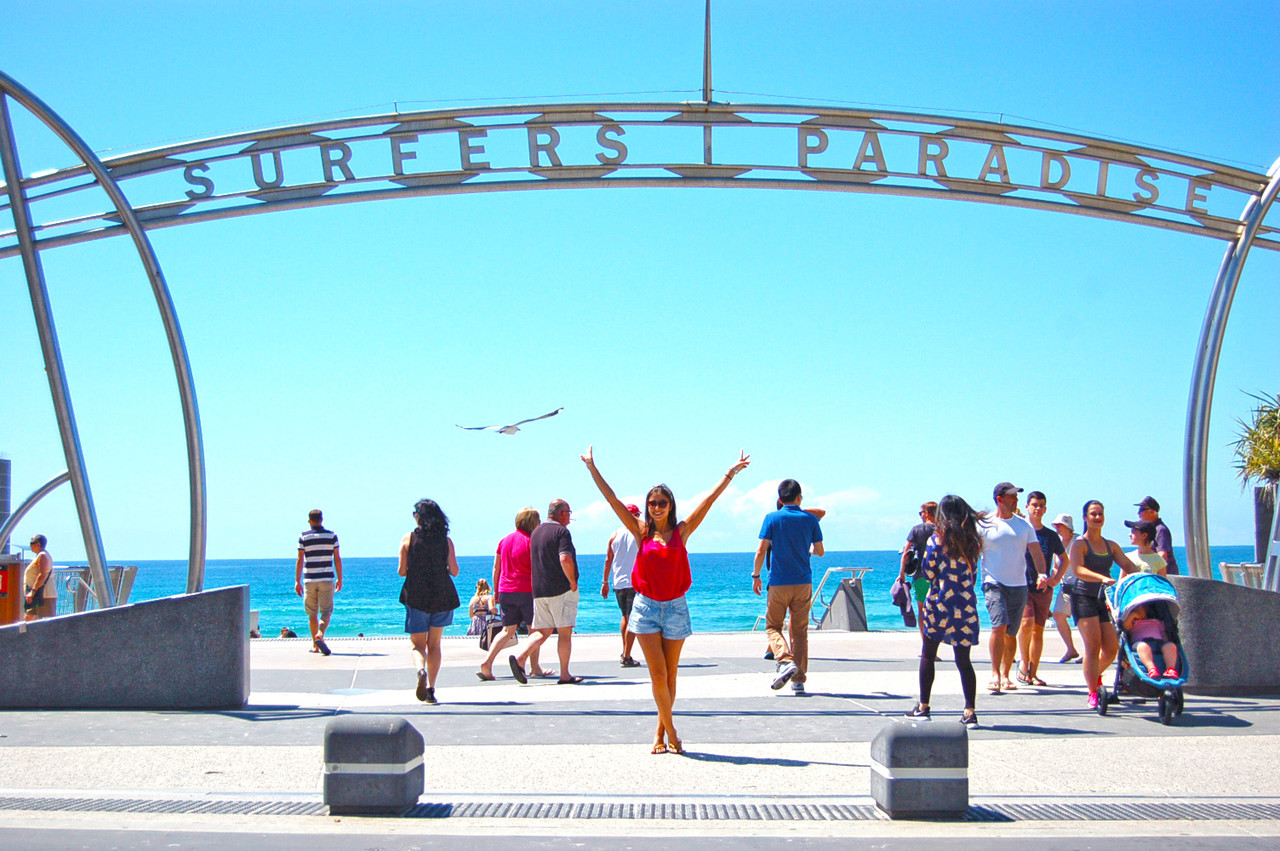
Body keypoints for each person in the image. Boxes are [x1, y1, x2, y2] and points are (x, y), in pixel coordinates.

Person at [582, 444, 750, 755]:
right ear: (647, 507)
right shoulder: (640, 531)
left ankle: (660, 732)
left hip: (675, 607)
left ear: (671, 505)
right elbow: (612, 500)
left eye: (662, 502)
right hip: (645, 608)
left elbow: (708, 501)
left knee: (671, 676)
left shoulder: (682, 532)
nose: (657, 507)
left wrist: (730, 473)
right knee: (657, 674)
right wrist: (592, 468)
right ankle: (673, 730)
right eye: (652, 503)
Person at [905, 494, 983, 727]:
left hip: (939, 605)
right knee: (964, 661)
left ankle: (924, 706)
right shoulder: (973, 543)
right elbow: (974, 575)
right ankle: (970, 711)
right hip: (966, 605)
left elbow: (927, 574)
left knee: (929, 654)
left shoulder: (935, 541)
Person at [1068, 499, 1143, 708]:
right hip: (1083, 598)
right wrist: (1101, 578)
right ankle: (1092, 691)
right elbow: (1078, 570)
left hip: (1104, 599)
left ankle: (1093, 675)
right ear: (1085, 518)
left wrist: (1143, 577)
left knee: (1110, 649)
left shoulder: (1111, 545)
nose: (1097, 517)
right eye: (1093, 514)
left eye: (1100, 514)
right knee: (1092, 647)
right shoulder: (1079, 544)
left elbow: (1127, 564)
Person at [754, 479, 825, 694]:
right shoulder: (810, 520)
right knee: (800, 631)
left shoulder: (772, 518)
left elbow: (761, 550)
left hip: (778, 582)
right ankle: (799, 680)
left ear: (779, 499)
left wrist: (756, 575)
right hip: (803, 581)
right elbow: (820, 551)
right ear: (799, 497)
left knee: (773, 626)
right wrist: (807, 551)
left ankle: (785, 661)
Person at [979, 483, 1046, 693]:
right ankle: (995, 673)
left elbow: (1036, 552)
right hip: (993, 582)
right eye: (1011, 497)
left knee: (1010, 633)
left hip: (1019, 584)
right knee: (998, 626)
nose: (1016, 500)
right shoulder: (984, 524)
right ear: (999, 499)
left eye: (1016, 497)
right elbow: (973, 552)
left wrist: (1042, 573)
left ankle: (1006, 674)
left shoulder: (1024, 526)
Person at [509, 499, 580, 685]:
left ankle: (521, 658)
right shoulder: (561, 531)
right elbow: (564, 558)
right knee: (565, 632)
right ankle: (565, 674)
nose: (570, 517)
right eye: (569, 513)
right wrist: (572, 581)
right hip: (561, 589)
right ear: (562, 514)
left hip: (539, 590)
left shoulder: (536, 532)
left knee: (543, 630)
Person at [398, 498, 460, 705]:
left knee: (417, 645)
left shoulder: (408, 539)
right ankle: (431, 690)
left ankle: (420, 670)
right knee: (434, 645)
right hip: (442, 595)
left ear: (418, 517)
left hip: (416, 595)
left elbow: (401, 571)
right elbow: (455, 571)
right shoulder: (446, 541)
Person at [478, 508, 549, 681]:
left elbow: (496, 568)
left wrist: (495, 592)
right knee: (535, 630)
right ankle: (534, 667)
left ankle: (487, 663)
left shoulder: (504, 540)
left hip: (506, 590)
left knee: (507, 630)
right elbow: (539, 568)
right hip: (527, 590)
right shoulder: (532, 541)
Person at [1015, 491, 1068, 686]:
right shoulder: (1021, 531)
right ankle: (1023, 663)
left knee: (1038, 630)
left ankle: (1033, 672)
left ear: (1045, 509)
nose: (1037, 508)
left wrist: (1055, 579)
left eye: (1041, 505)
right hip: (1023, 585)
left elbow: (1065, 559)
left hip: (1044, 588)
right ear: (1027, 506)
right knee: (1026, 624)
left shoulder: (1050, 536)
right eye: (1034, 505)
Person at [295, 509, 342, 656]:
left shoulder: (303, 537)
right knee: (326, 612)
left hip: (309, 579)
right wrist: (340, 578)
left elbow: (300, 559)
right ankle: (320, 634)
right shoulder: (332, 536)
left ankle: (315, 646)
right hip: (326, 579)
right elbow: (337, 558)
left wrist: (297, 581)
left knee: (312, 614)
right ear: (322, 520)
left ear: (309, 520)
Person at [603, 503, 643, 668]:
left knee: (625, 617)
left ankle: (625, 650)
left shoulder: (615, 535)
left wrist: (604, 582)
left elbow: (608, 560)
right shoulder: (639, 533)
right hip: (634, 582)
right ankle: (626, 655)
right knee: (632, 618)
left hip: (618, 582)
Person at [896, 502, 938, 640]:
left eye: (921, 513)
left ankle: (926, 644)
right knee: (936, 609)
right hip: (940, 576)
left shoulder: (917, 530)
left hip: (921, 575)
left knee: (922, 609)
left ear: (926, 513)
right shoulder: (943, 530)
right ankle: (935, 641)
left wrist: (901, 574)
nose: (920, 516)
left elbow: (906, 553)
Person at [1049, 513, 1081, 663]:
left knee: (1083, 620)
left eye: (1059, 525)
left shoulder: (1079, 541)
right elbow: (1056, 566)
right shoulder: (1058, 543)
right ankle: (1071, 649)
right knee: (1058, 615)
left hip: (1081, 586)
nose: (1057, 528)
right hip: (1065, 586)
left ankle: (1090, 652)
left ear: (1067, 526)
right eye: (1055, 525)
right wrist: (1053, 580)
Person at [1121, 604, 1180, 680]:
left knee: (1170, 646)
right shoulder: (1133, 622)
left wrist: (1166, 640)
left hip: (1159, 642)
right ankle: (1151, 668)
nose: (1138, 610)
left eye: (1141, 608)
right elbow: (1125, 626)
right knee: (1143, 647)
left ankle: (1170, 669)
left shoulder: (1157, 621)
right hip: (1140, 642)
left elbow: (1164, 633)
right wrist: (1133, 615)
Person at [1136, 496, 1180, 575]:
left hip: (1165, 577)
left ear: (1152, 512)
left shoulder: (1160, 530)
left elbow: (1162, 555)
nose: (1138, 513)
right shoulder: (1151, 529)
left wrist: (1149, 569)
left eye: (1141, 510)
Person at [23, 534, 53, 622]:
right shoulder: (42, 555)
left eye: (31, 543)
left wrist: (32, 592)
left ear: (38, 544)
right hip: (39, 595)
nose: (30, 546)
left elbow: (42, 575)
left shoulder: (42, 556)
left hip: (40, 595)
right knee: (30, 619)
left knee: (30, 621)